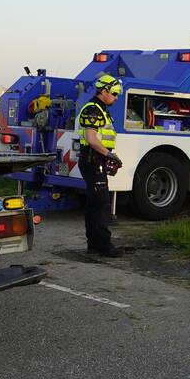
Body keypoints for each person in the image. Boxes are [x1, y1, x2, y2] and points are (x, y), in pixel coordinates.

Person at [77, 74, 125, 257]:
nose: (116, 98)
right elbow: (91, 139)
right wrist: (109, 154)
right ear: (104, 91)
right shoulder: (93, 110)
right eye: (114, 93)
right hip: (93, 161)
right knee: (102, 205)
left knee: (94, 205)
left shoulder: (100, 109)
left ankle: (94, 245)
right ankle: (104, 246)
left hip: (95, 161)